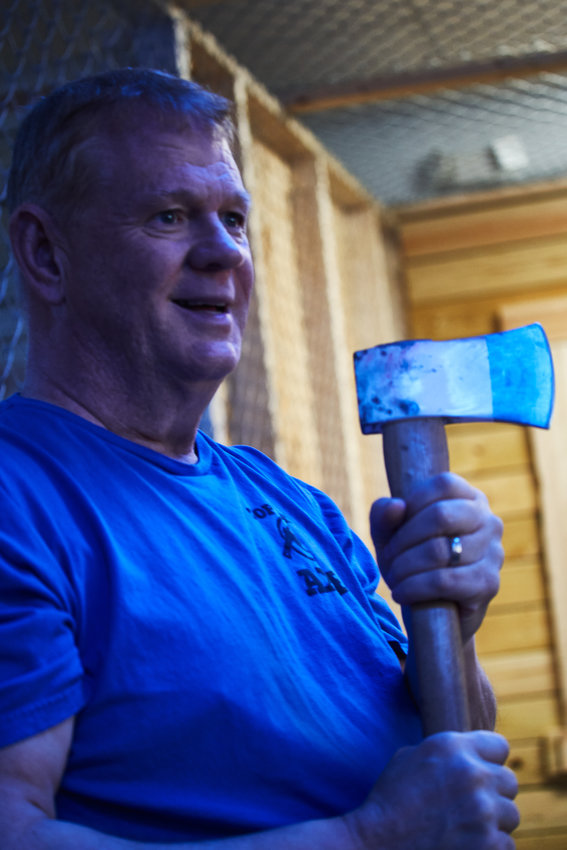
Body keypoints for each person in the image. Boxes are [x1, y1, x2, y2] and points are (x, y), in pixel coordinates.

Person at [0, 68, 518, 849]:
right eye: (169, 216)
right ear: (45, 253)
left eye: (235, 219)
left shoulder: (294, 504)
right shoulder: (19, 499)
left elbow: (451, 746)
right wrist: (367, 839)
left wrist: (450, 620)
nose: (221, 253)